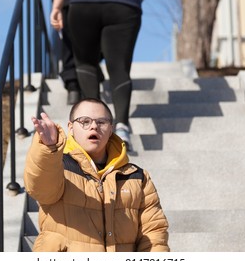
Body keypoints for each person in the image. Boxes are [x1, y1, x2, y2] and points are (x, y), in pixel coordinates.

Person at [24, 98, 169, 252]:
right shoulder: (58, 166)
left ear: (111, 129)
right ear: (71, 127)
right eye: (84, 121)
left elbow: (154, 231)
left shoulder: (137, 177)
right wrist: (49, 149)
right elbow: (40, 188)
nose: (94, 126)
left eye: (101, 122)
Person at [50, 0, 146, 150]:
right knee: (119, 68)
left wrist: (57, 6)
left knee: (85, 64)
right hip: (124, 3)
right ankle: (122, 128)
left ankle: (92, 125)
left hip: (83, 3)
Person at [56, 0, 105, 105]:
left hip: (70, 0)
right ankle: (90, 73)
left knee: (71, 42)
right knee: (94, 41)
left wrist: (56, 6)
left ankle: (73, 87)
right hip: (98, 0)